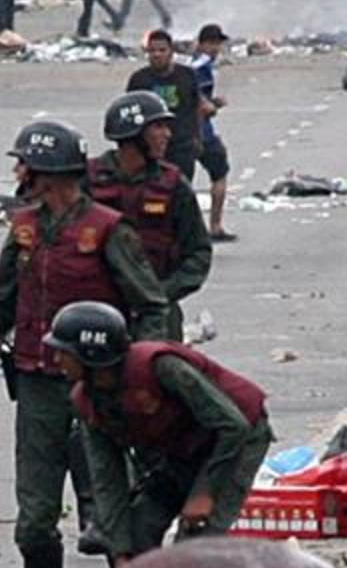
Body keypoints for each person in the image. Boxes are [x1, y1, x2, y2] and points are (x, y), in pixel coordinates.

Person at [0, 121, 168, 568]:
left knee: (114, 509)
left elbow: (149, 304)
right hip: (36, 385)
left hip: (101, 387)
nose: (18, 171)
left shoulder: (109, 230)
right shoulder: (21, 227)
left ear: (50, 173)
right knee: (35, 517)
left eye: (26, 163)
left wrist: (146, 368)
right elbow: (1, 302)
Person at [44, 301, 272, 564]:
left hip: (236, 439)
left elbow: (233, 426)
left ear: (91, 355)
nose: (57, 360)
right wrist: (120, 551)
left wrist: (204, 493)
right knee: (137, 534)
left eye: (64, 352)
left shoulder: (160, 367)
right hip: (178, 451)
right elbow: (108, 479)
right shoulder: (87, 402)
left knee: (194, 545)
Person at [88, 91, 212, 341]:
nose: (167, 134)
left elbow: (198, 253)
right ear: (132, 135)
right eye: (158, 127)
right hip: (96, 311)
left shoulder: (173, 184)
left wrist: (157, 296)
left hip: (158, 316)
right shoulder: (87, 181)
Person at [126, 29, 204, 180]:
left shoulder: (187, 75)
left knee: (181, 189)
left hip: (182, 146)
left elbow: (197, 107)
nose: (157, 55)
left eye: (162, 50)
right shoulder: (139, 80)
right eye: (152, 51)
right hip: (151, 148)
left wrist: (198, 137)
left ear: (171, 52)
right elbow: (131, 114)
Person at [190, 23, 236, 242]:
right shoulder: (202, 67)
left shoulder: (191, 64)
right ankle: (215, 226)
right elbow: (198, 102)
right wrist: (213, 106)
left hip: (184, 132)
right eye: (213, 44)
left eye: (218, 44)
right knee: (220, 173)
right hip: (201, 132)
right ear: (203, 44)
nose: (216, 49)